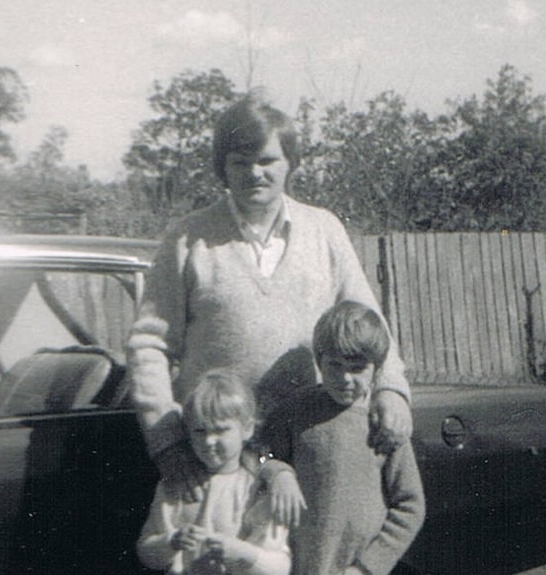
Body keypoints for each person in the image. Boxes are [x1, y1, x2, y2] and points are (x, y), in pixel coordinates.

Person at [127, 90, 413, 512]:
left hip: (311, 442)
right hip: (218, 455)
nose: (254, 173)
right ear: (222, 168)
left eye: (267, 161)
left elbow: (368, 323)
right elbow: (148, 346)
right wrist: (167, 440)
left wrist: (391, 389)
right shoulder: (189, 238)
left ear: (290, 163)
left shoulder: (324, 231)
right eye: (240, 163)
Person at [259, 301, 425, 575]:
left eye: (357, 367)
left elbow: (410, 505)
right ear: (319, 360)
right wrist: (277, 472)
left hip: (356, 567)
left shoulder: (384, 424)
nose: (345, 378)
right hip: (298, 563)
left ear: (377, 367)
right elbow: (259, 452)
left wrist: (367, 567)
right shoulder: (296, 411)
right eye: (335, 365)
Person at [136, 369, 291, 575]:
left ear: (247, 429)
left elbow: (280, 566)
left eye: (220, 430)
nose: (209, 441)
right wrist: (171, 541)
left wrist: (241, 553)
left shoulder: (258, 490)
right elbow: (147, 553)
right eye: (200, 431)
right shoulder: (175, 487)